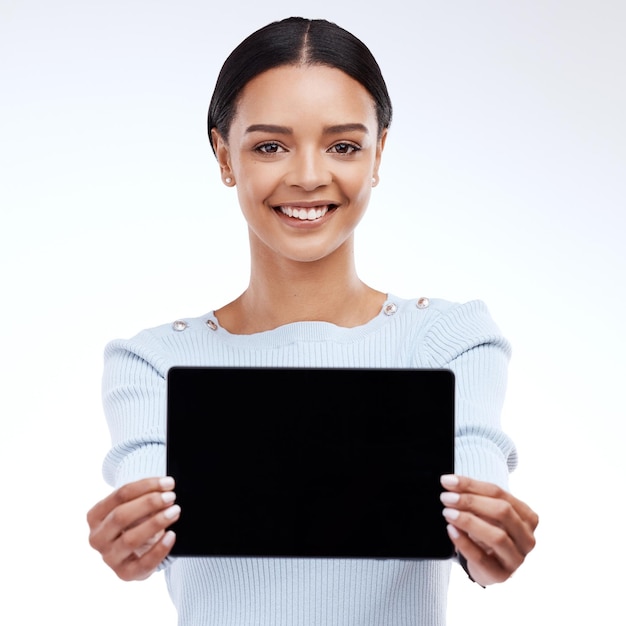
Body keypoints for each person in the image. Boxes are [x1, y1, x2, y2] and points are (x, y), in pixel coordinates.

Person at [87, 16, 538, 625]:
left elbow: (476, 483)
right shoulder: (151, 362)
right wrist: (132, 540)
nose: (307, 174)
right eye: (270, 145)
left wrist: (487, 546)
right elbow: (146, 524)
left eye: (344, 145)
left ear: (378, 155)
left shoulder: (449, 340)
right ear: (224, 155)